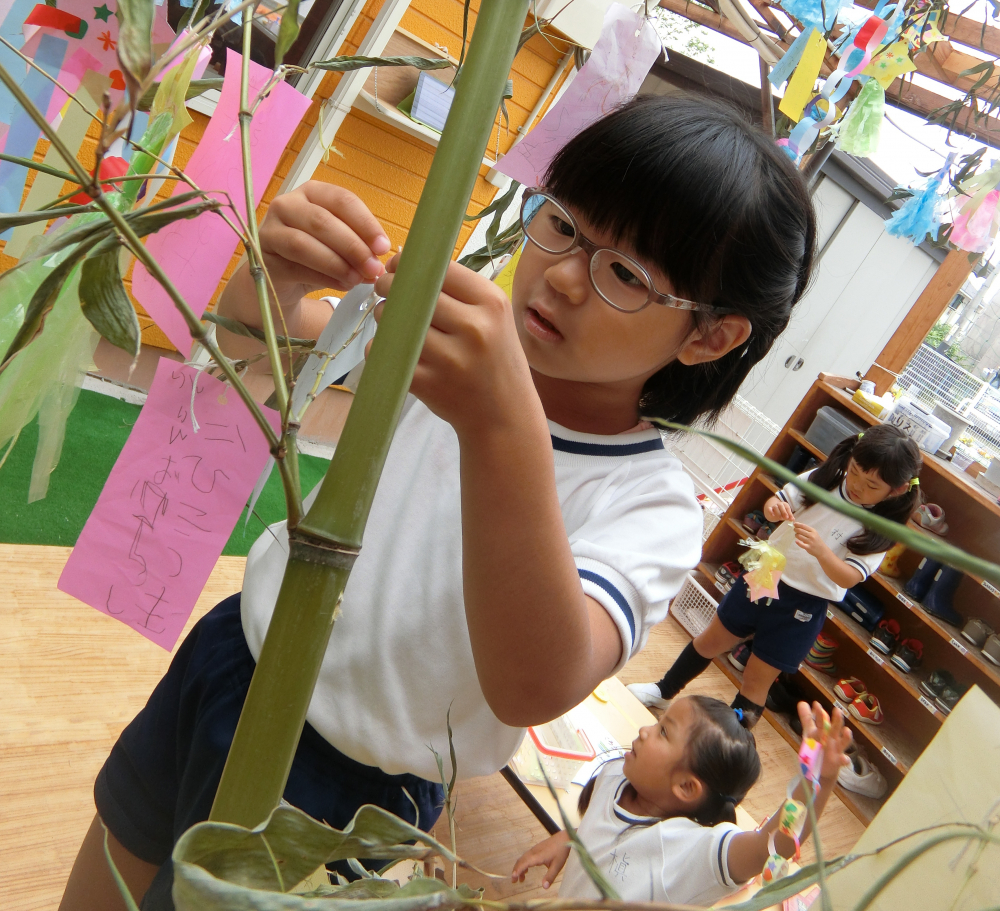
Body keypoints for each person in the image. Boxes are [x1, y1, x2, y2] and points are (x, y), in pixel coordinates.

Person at [60, 94, 815, 911]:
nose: (562, 276)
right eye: (561, 224)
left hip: (348, 788)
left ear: (709, 336)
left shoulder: (650, 504)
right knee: (111, 864)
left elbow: (533, 686)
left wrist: (499, 421)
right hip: (230, 659)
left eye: (626, 275)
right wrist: (271, 275)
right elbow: (257, 338)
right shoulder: (450, 351)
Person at [629, 424, 921, 726]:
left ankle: (729, 744)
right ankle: (663, 691)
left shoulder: (880, 528)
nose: (858, 484)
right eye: (856, 470)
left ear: (896, 490)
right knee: (711, 640)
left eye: (872, 485)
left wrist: (822, 551)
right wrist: (775, 509)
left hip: (805, 602)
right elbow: (770, 508)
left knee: (756, 679)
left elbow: (848, 578)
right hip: (766, 570)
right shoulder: (822, 478)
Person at [511, 696, 851, 904]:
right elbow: (604, 827)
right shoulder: (620, 773)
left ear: (687, 788)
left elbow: (773, 847)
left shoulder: (691, 854)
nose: (645, 730)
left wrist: (817, 779)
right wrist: (571, 838)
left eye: (663, 731)